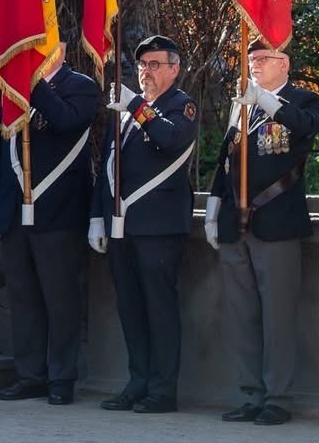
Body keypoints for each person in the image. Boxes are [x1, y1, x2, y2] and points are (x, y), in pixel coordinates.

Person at [205, 39, 319, 427]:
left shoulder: (302, 100)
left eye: (262, 58)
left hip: (276, 222)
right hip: (234, 225)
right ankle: (250, 393)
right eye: (251, 59)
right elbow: (226, 161)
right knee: (242, 315)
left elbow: (305, 129)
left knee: (278, 317)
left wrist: (265, 101)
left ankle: (278, 397)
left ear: (284, 63)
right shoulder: (244, 105)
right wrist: (213, 209)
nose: (254, 64)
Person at [89, 34, 200, 415]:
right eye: (142, 66)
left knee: (160, 310)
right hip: (122, 226)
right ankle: (137, 382)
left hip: (158, 228)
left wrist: (136, 105)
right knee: (131, 309)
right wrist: (97, 217)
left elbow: (169, 140)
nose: (146, 72)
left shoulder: (181, 106)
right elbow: (106, 168)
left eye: (154, 65)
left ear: (174, 69)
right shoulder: (127, 111)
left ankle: (162, 389)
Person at [0, 41, 98, 405]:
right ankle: (30, 374)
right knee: (23, 298)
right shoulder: (12, 87)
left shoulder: (80, 86)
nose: (36, 52)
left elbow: (66, 121)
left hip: (58, 213)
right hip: (17, 215)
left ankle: (61, 377)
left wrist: (32, 84)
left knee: (60, 299)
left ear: (62, 49)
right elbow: (2, 151)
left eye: (44, 45)